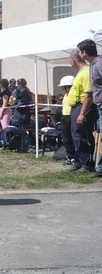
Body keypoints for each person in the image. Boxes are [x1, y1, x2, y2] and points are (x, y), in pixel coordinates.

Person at [67, 50, 96, 172]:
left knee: (84, 136)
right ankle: (78, 161)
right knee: (76, 136)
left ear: (73, 60)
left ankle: (86, 163)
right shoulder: (80, 73)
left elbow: (88, 95)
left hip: (83, 107)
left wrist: (82, 113)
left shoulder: (86, 72)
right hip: (76, 107)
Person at [77, 39, 102, 177]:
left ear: (84, 52)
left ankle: (100, 169)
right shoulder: (93, 65)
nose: (79, 54)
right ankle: (100, 168)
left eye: (80, 51)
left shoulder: (99, 65)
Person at [57, 75, 76, 165]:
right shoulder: (65, 95)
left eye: (63, 87)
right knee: (66, 138)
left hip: (71, 117)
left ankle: (74, 157)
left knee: (72, 138)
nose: (62, 89)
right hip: (64, 117)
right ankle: (70, 156)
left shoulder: (73, 95)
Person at [0, 78, 14, 148]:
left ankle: (7, 142)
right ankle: (5, 141)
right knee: (4, 127)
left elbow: (5, 103)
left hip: (6, 110)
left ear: (1, 84)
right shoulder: (3, 91)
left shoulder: (5, 93)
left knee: (5, 126)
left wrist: (1, 112)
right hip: (4, 109)